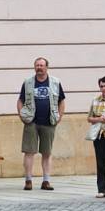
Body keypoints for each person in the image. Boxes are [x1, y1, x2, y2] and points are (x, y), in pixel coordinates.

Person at [17, 57, 66, 191]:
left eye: (41, 65)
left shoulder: (55, 82)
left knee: (47, 153)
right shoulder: (27, 82)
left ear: (46, 67)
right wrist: (22, 115)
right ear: (34, 67)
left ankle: (46, 181)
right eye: (37, 65)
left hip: (49, 122)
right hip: (31, 122)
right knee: (29, 152)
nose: (39, 67)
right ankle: (28, 180)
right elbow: (20, 100)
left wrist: (59, 117)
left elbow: (61, 101)